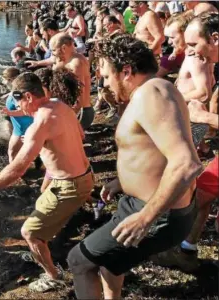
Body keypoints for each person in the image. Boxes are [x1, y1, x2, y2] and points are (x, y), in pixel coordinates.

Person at [66, 35, 201, 299]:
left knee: (78, 261)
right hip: (142, 202)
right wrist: (121, 182)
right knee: (109, 262)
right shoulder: (154, 91)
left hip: (157, 213)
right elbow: (154, 151)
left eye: (106, 76)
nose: (103, 83)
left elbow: (187, 163)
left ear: (126, 71)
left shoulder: (152, 94)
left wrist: (146, 217)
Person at [0, 72, 94, 293]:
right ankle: (43, 244)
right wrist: (54, 162)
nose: (18, 107)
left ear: (28, 96)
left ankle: (53, 276)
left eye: (17, 101)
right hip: (81, 176)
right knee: (40, 205)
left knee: (30, 233)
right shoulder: (59, 105)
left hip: (71, 185)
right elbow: (80, 135)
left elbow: (17, 170)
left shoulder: (41, 123)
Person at [150, 12, 219, 272]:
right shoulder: (203, 58)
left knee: (184, 180)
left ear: (214, 38)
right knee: (201, 192)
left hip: (196, 119)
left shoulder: (199, 61)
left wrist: (204, 116)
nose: (189, 52)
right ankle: (185, 247)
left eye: (192, 44)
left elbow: (204, 91)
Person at [50, 33, 94, 130]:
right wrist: (37, 63)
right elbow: (52, 60)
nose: (52, 53)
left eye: (53, 50)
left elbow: (80, 94)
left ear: (64, 48)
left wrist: (68, 115)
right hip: (71, 108)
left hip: (82, 111)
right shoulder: (66, 58)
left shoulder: (76, 64)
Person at [157, 13, 190, 78]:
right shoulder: (178, 54)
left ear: (186, 33)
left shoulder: (197, 56)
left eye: (172, 37)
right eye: (168, 37)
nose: (169, 42)